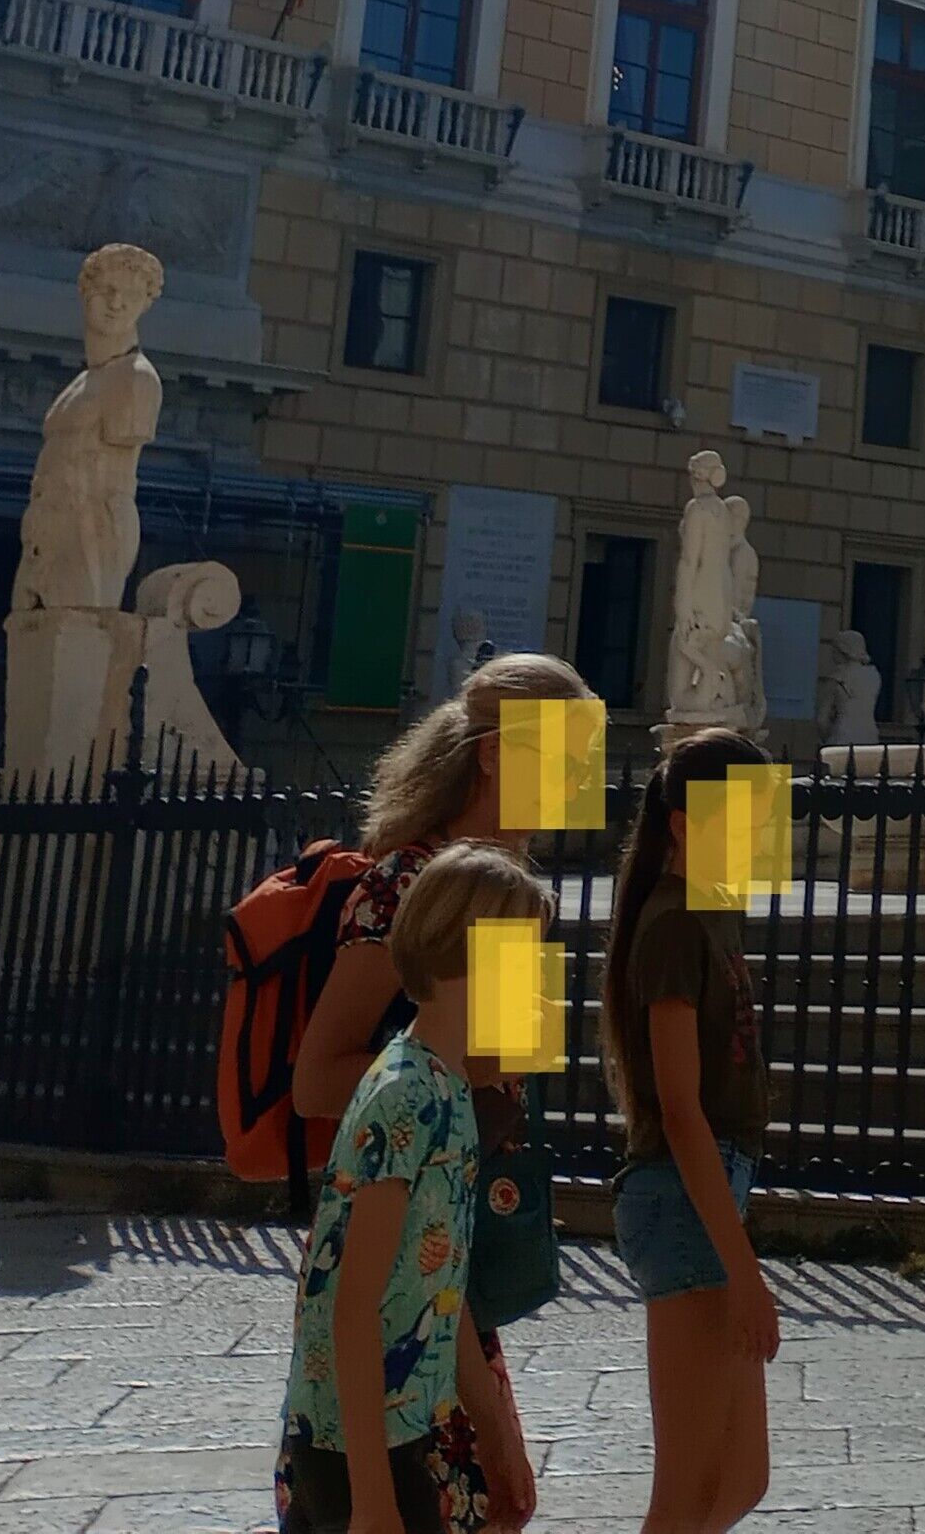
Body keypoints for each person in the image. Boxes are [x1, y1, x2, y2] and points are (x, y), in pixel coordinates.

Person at [290, 652, 591, 1534]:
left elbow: (504, 1067)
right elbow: (316, 1078)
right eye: (568, 750)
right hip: (394, 1259)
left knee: (497, 1503)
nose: (584, 773)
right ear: (497, 755)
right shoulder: (404, 886)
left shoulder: (512, 890)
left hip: (458, 1253)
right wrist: (437, 1093)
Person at [277, 843, 549, 1534]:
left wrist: (493, 1430)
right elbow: (353, 1304)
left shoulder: (451, 1086)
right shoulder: (405, 1095)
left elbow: (441, 1285)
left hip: (409, 1431)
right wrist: (372, 1501)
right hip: (353, 1445)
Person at [605, 732, 781, 1534]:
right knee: (686, 1493)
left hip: (710, 1191)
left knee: (740, 1479)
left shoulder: (712, 915)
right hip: (682, 1201)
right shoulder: (673, 925)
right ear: (682, 821)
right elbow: (679, 1111)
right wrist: (742, 1273)